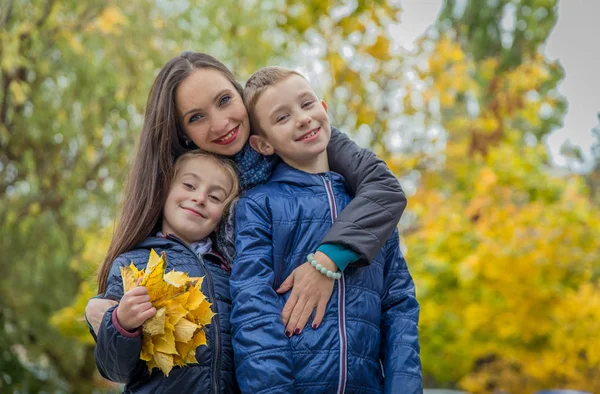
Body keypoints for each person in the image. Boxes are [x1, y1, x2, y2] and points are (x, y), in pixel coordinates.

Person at [87, 51, 408, 340]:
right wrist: (105, 313)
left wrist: (325, 262)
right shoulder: (188, 190)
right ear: (182, 134)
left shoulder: (298, 134)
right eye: (196, 117)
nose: (221, 123)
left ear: (240, 93)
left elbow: (385, 189)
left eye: (224, 100)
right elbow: (151, 265)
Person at [230, 66, 422, 393]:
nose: (303, 118)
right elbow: (253, 313)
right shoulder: (259, 206)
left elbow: (400, 308)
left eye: (307, 105)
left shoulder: (368, 207)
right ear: (263, 145)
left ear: (324, 108)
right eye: (282, 118)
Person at [94, 151, 240, 392]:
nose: (200, 198)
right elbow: (115, 370)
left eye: (215, 197)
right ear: (165, 190)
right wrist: (123, 324)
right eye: (189, 185)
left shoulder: (231, 272)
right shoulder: (132, 264)